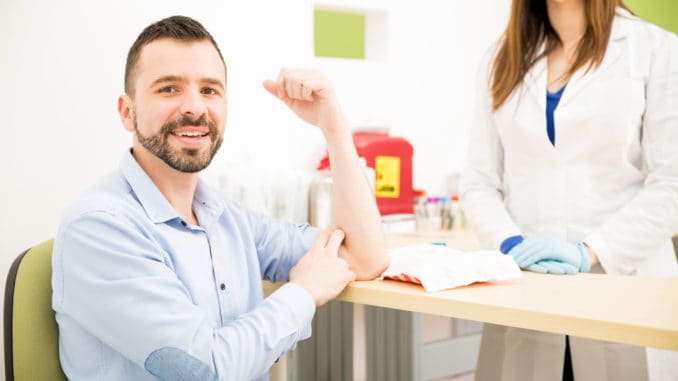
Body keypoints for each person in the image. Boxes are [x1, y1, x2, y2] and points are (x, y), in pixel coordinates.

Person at [52, 15, 389, 380]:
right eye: (169, 89)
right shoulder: (100, 227)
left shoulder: (225, 217)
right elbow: (206, 370)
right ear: (127, 112)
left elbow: (363, 257)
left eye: (210, 90)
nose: (195, 108)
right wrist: (304, 292)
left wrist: (333, 126)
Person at [460, 0, 678, 380]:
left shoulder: (655, 50)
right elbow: (478, 181)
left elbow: (672, 184)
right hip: (527, 286)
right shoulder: (502, 56)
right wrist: (510, 244)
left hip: (623, 285)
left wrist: (590, 252)